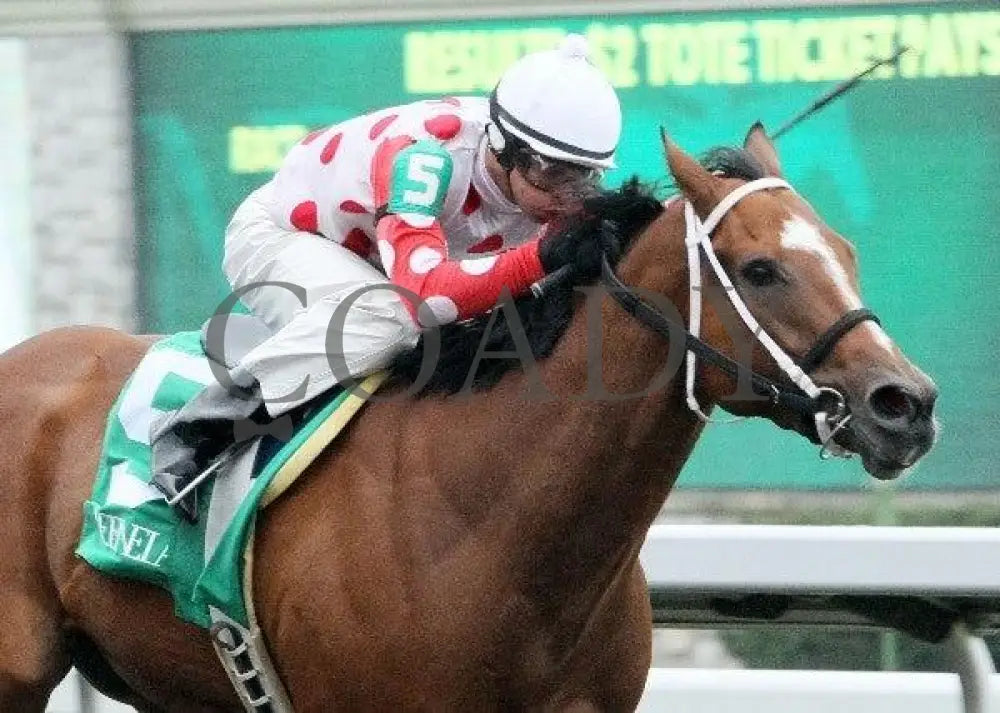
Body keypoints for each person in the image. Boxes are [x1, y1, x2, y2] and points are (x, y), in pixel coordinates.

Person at [150, 34, 623, 520]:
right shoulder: (424, 155)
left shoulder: (541, 176)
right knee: (390, 318)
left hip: (383, 263)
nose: (565, 197)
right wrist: (540, 257)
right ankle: (199, 427)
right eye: (551, 173)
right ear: (504, 148)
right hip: (285, 235)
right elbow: (425, 298)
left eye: (583, 175)